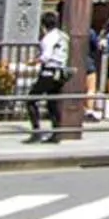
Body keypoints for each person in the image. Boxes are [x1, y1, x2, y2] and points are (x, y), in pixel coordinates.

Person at [26, 10, 69, 144]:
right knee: (52, 103)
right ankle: (56, 133)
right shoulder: (63, 36)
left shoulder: (48, 38)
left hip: (49, 71)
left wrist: (34, 61)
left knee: (31, 100)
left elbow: (46, 56)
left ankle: (36, 131)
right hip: (61, 71)